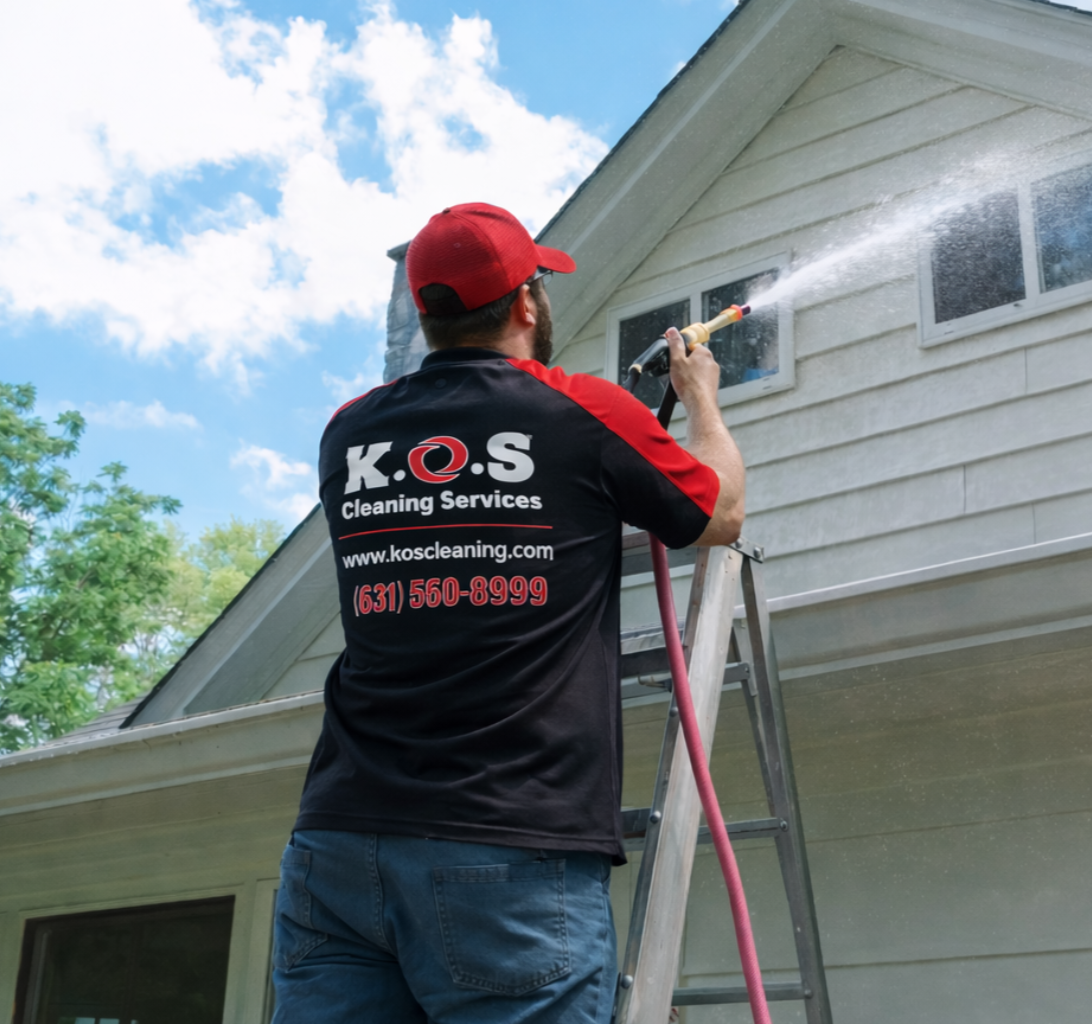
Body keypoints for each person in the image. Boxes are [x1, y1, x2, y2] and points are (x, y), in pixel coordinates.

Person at [271, 202, 745, 1023]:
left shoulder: (348, 434)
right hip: (508, 843)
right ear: (527, 302)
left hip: (338, 846)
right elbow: (717, 514)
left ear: (426, 314)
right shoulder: (582, 409)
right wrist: (698, 397)